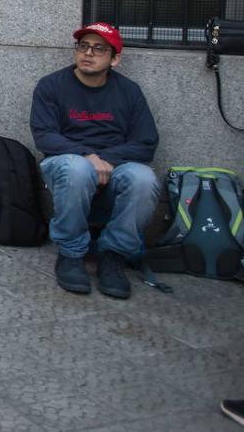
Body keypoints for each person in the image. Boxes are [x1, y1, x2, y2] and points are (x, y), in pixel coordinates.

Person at [29, 22, 160, 299]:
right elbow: (44, 136)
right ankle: (71, 253)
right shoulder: (51, 86)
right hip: (67, 163)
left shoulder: (129, 91)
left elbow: (146, 142)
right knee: (77, 169)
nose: (88, 53)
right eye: (83, 46)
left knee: (143, 179)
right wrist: (87, 157)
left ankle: (113, 255)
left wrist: (108, 159)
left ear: (115, 59)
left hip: (116, 164)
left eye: (99, 49)